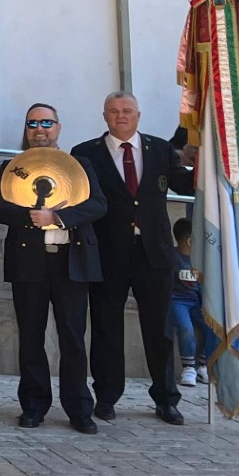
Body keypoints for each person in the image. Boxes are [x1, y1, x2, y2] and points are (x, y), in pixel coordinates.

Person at [74, 91, 196, 425]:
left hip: (154, 253)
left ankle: (166, 398)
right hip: (108, 253)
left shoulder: (158, 149)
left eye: (127, 111)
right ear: (105, 116)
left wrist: (214, 162)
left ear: (138, 115)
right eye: (114, 111)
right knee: (105, 328)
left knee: (159, 329)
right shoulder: (85, 153)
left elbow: (184, 184)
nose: (121, 116)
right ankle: (107, 397)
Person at [0, 102, 105, 432]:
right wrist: (31, 217)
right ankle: (33, 405)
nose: (39, 129)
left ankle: (79, 409)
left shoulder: (81, 165)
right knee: (30, 337)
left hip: (72, 262)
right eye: (32, 124)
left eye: (46, 122)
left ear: (58, 127)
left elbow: (98, 204)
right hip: (30, 263)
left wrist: (58, 217)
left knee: (73, 337)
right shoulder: (11, 168)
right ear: (26, 130)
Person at [166, 216, 212, 387]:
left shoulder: (201, 261)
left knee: (212, 325)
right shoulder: (172, 257)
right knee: (186, 329)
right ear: (191, 241)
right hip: (177, 301)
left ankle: (203, 365)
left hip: (196, 301)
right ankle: (189, 367)